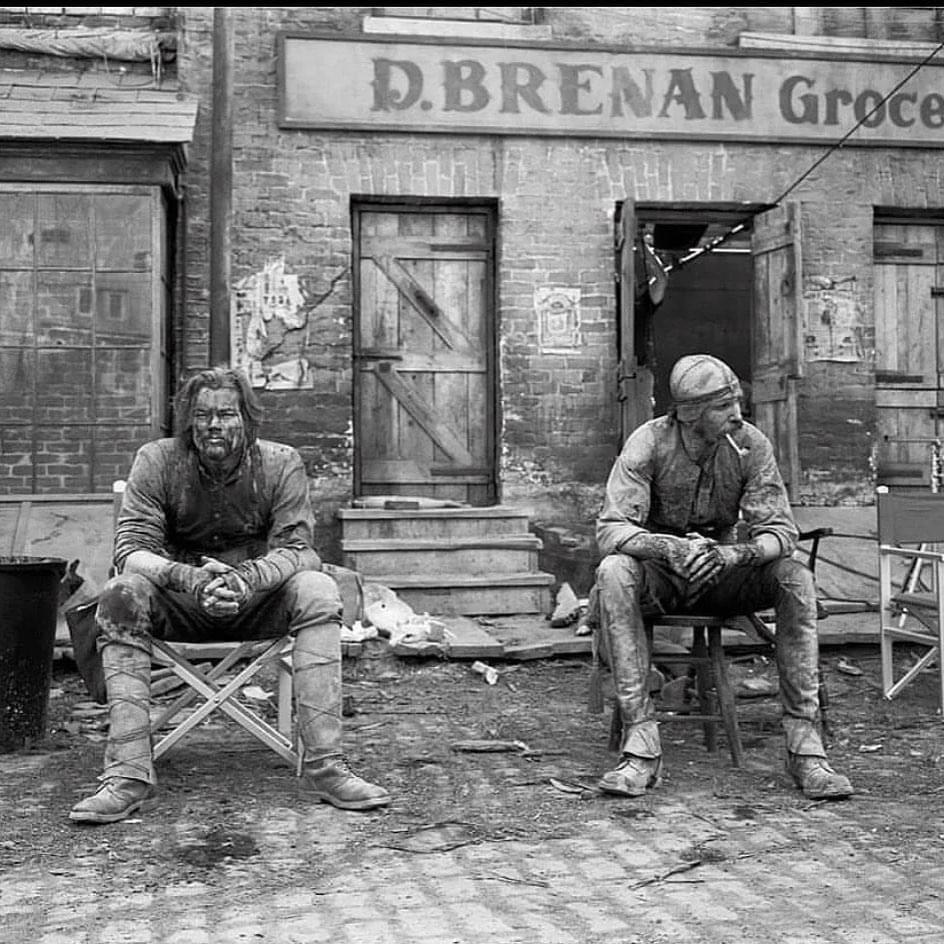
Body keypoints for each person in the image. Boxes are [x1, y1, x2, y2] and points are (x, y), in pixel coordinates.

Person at [70, 367, 390, 824]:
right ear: (188, 422)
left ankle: (326, 767)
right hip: (179, 602)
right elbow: (131, 551)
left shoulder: (281, 463)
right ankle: (127, 775)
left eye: (226, 414)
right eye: (202, 416)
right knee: (122, 592)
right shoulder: (157, 460)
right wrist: (191, 579)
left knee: (317, 588)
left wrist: (245, 580)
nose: (213, 426)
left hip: (258, 602)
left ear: (248, 420)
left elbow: (300, 551)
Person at [594, 353, 853, 801]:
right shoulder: (648, 443)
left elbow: (781, 532)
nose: (737, 414)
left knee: (795, 577)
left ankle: (806, 750)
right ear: (690, 414)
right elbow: (610, 528)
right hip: (664, 574)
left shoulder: (751, 445)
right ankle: (641, 747)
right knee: (614, 571)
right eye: (723, 406)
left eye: (736, 402)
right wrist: (667, 547)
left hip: (725, 570)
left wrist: (736, 554)